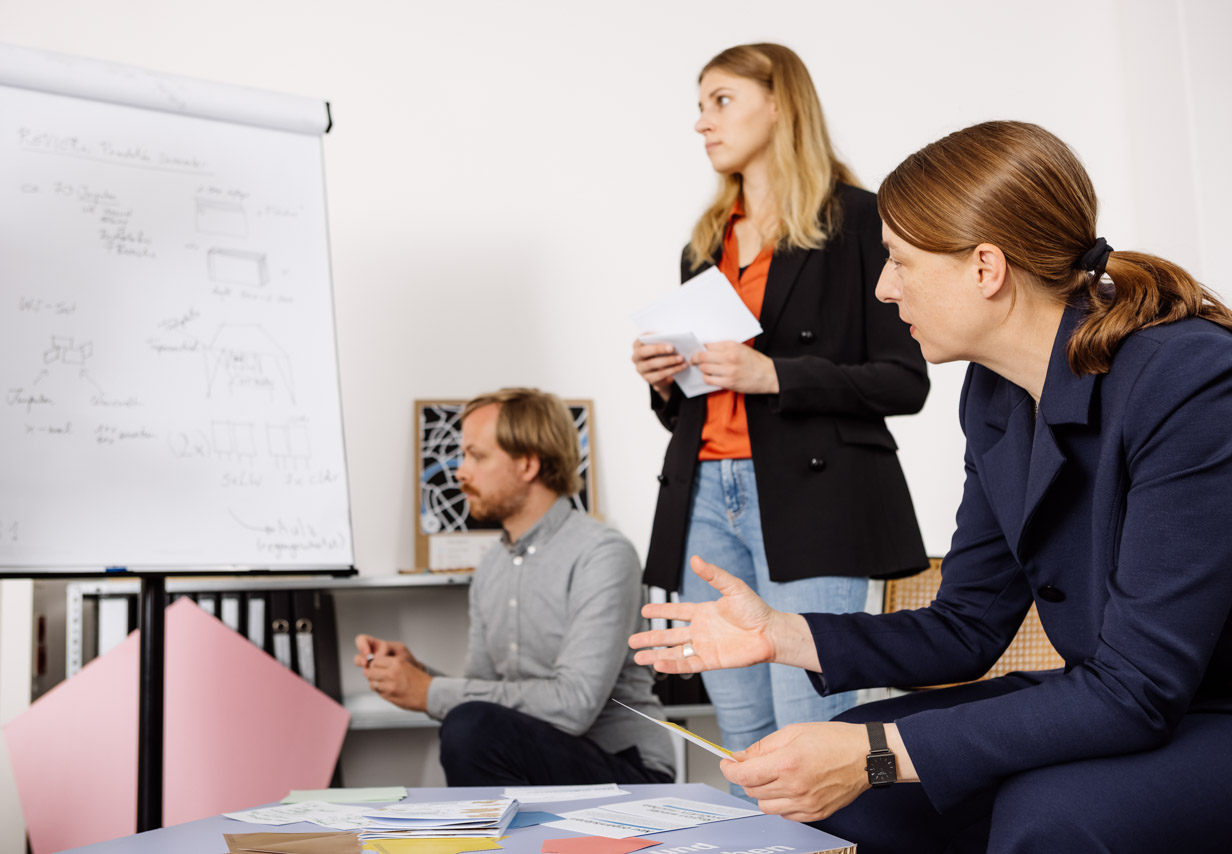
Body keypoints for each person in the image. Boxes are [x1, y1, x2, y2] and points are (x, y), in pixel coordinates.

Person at [629, 121, 1232, 853]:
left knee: (1046, 811)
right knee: (823, 769)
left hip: (1195, 710)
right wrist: (781, 635)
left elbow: (1140, 688)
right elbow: (967, 627)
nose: (884, 289)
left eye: (899, 262)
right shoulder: (993, 393)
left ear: (986, 268)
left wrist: (879, 757)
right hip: (1118, 700)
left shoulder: (1190, 380)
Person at [630, 42, 928, 772]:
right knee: (740, 743)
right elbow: (693, 411)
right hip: (704, 495)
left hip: (813, 499)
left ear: (779, 103)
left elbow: (904, 379)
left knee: (812, 732)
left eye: (721, 100)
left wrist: (776, 376)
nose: (703, 121)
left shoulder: (860, 221)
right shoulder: (705, 244)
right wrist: (664, 381)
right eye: (699, 106)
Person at [355, 388, 674, 786]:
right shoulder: (492, 565)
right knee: (468, 721)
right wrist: (417, 675)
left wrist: (430, 691)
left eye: (477, 455)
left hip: (626, 767)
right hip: (543, 756)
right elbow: (488, 695)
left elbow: (574, 705)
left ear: (526, 465)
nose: (460, 472)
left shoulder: (603, 553)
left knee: (469, 725)